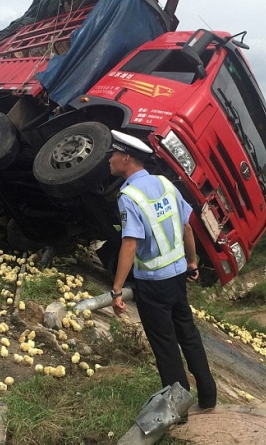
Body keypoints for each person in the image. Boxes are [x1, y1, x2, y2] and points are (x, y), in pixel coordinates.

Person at [108, 130, 217, 414]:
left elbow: (130, 243)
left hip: (153, 286)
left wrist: (117, 289)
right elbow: (186, 227)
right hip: (177, 277)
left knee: (165, 346)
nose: (109, 159)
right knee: (188, 334)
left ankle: (177, 411)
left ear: (126, 158)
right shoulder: (165, 183)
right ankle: (208, 397)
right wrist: (192, 262)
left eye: (113, 154)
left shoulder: (128, 195)